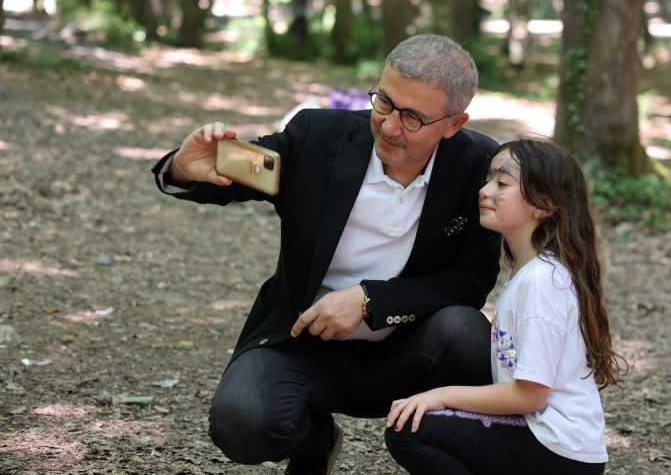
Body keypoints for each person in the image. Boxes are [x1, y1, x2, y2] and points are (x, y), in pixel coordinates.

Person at [151, 34, 501, 474]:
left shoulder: (479, 166)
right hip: (302, 340)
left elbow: (470, 280)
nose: (390, 126)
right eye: (385, 103)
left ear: (453, 124)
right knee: (241, 423)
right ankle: (314, 443)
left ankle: (437, 451)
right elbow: (237, 171)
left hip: (407, 346)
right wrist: (185, 168)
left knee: (468, 333)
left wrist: (369, 299)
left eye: (413, 118)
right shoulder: (318, 137)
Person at [384, 139, 627, 475]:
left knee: (408, 431)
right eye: (488, 179)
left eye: (502, 182)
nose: (485, 190)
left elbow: (530, 396)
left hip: (554, 447)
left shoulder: (542, 281)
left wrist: (440, 396)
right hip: (558, 448)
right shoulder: (532, 273)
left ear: (543, 204)